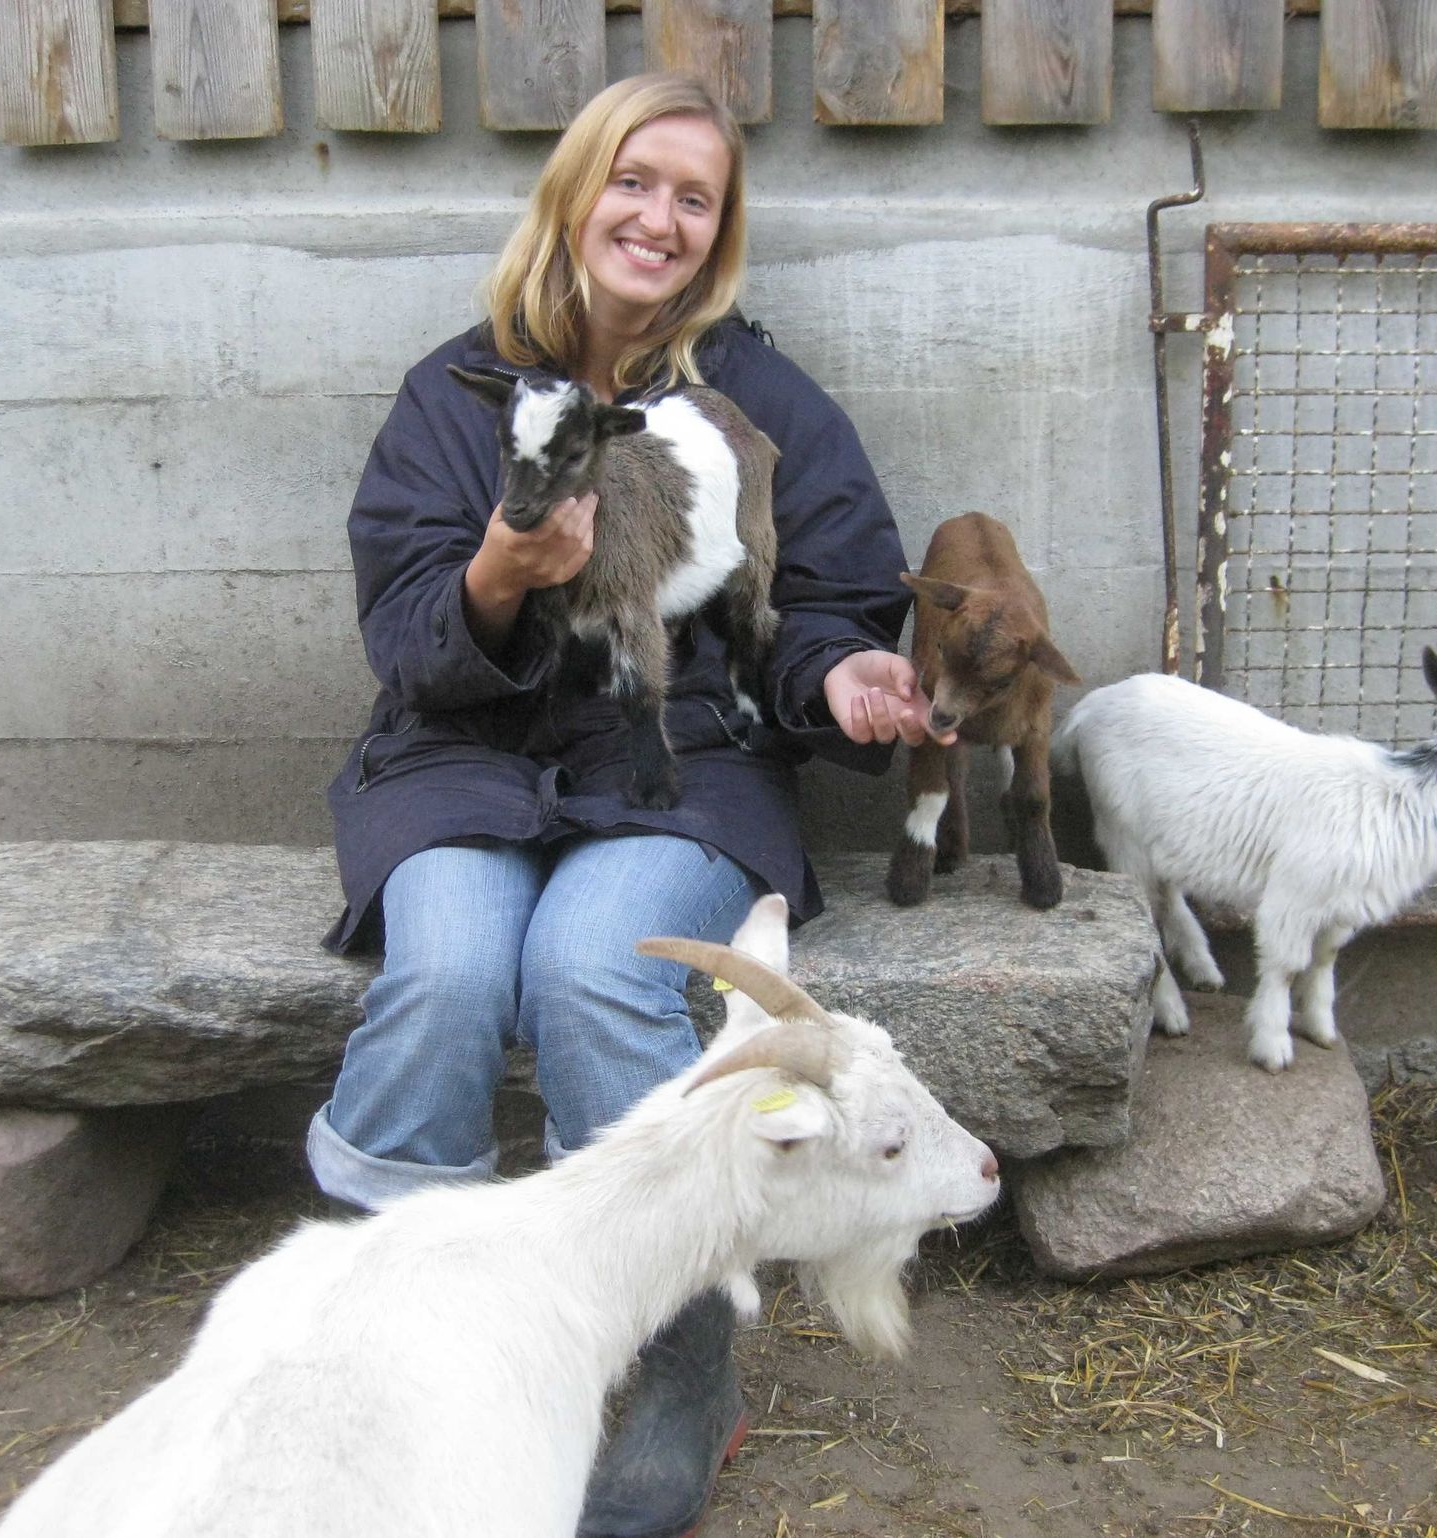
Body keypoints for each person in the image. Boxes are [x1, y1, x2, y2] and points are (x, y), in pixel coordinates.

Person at [308, 72, 947, 1538]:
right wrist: (496, 579)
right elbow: (404, 626)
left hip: (683, 768)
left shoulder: (761, 405)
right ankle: (405, 1353)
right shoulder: (454, 396)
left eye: (694, 197)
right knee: (455, 967)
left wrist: (844, 669)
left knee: (601, 968)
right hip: (462, 762)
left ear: (718, 235)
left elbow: (820, 598)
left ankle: (678, 1367)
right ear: (577, 190)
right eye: (635, 180)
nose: (657, 218)